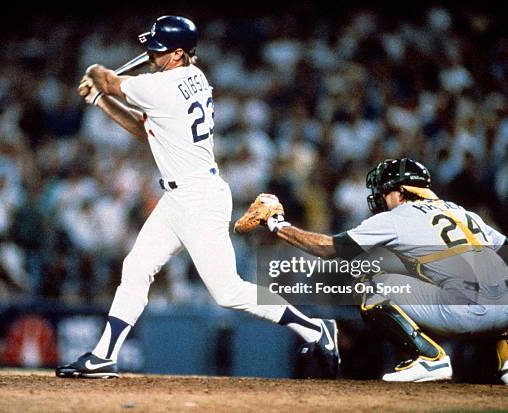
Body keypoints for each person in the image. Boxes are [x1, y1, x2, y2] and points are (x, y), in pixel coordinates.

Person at [55, 15, 340, 379]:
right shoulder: (194, 78)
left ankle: (315, 328)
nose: (150, 53)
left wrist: (96, 73)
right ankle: (103, 355)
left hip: (199, 198)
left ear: (177, 54)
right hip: (179, 197)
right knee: (136, 268)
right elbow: (147, 131)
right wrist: (100, 99)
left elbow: (109, 79)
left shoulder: (161, 87)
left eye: (158, 49)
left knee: (228, 291)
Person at [237, 158, 508, 383]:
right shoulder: (463, 213)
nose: (379, 196)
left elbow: (328, 247)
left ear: (400, 191)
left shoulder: (398, 217)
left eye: (384, 190)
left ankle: (430, 358)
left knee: (371, 285)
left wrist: (277, 225)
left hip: (466, 312)